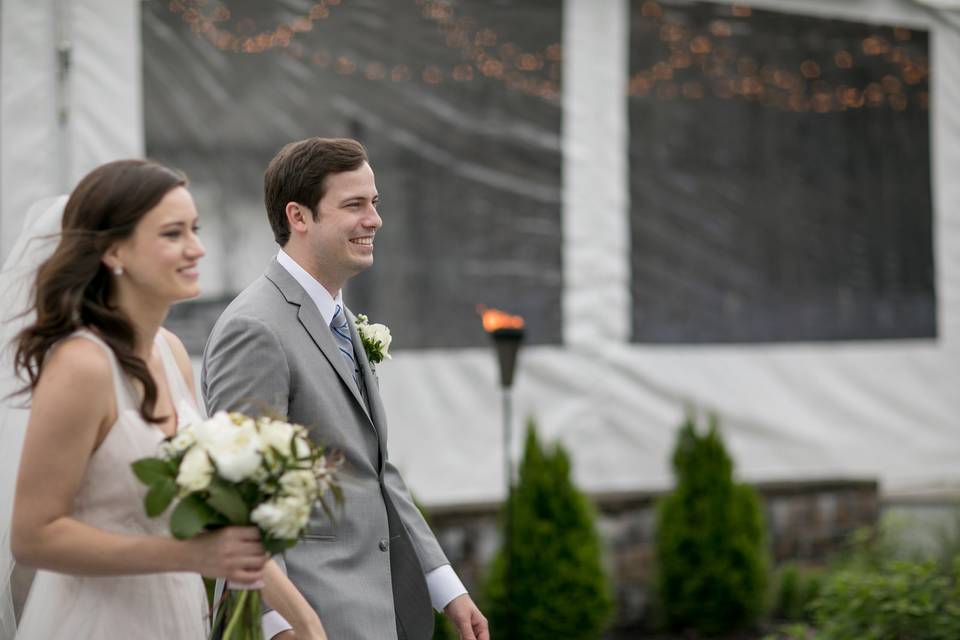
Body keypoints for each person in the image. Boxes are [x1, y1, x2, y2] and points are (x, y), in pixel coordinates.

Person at [0, 160, 325, 639]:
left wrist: (306, 622)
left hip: (178, 617)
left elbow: (214, 523)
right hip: (99, 623)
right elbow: (33, 537)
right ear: (114, 250)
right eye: (172, 234)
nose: (197, 248)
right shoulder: (82, 366)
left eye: (194, 229)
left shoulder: (170, 353)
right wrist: (188, 557)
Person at [202, 138, 490, 640]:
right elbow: (237, 496)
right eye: (354, 205)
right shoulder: (254, 328)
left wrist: (446, 586)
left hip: (376, 610)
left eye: (374, 203)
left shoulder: (337, 317)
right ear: (299, 216)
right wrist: (275, 624)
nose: (374, 219)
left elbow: (376, 471)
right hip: (312, 616)